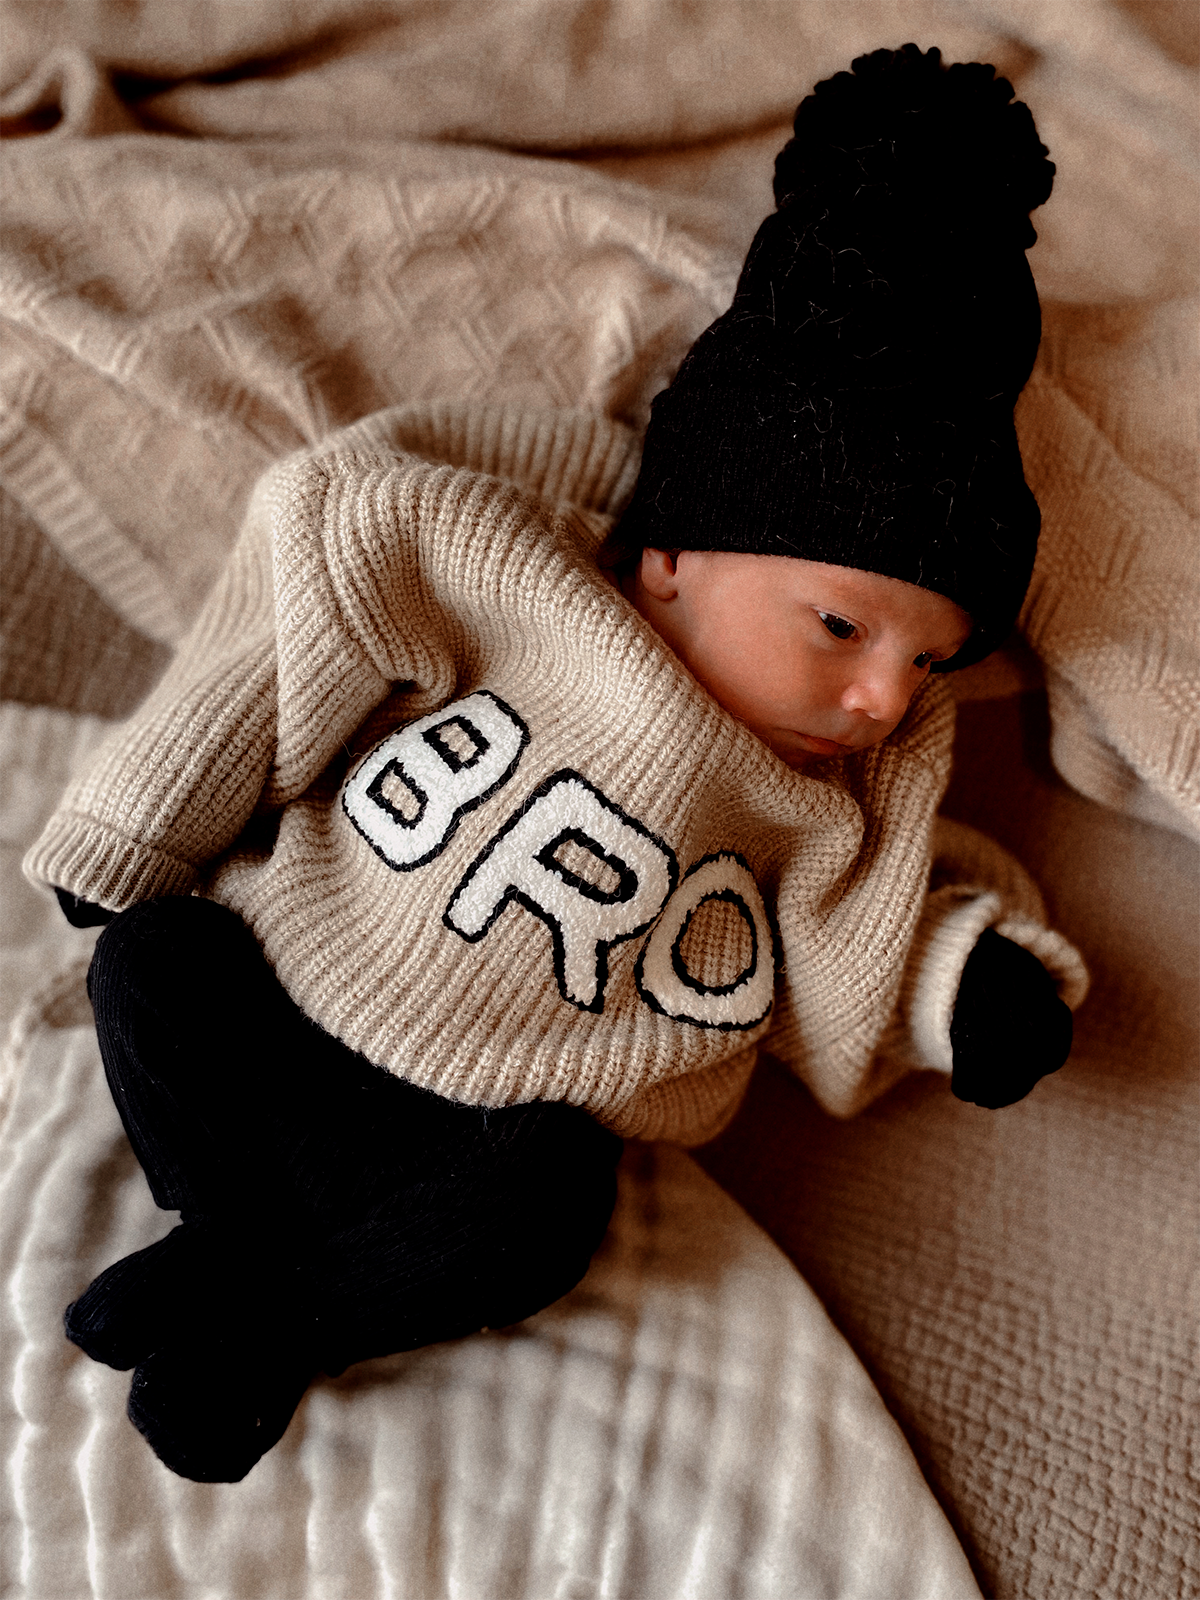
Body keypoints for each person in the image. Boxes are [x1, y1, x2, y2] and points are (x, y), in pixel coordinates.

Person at [27, 45, 1085, 1484]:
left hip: (492, 1138)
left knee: (550, 1206)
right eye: (842, 626)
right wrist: (137, 827)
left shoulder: (813, 813)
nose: (884, 695)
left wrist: (976, 986)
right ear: (669, 561)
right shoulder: (512, 587)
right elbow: (308, 595)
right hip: (289, 991)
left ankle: (284, 1310)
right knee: (153, 966)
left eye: (931, 660)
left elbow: (863, 950)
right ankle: (231, 1238)